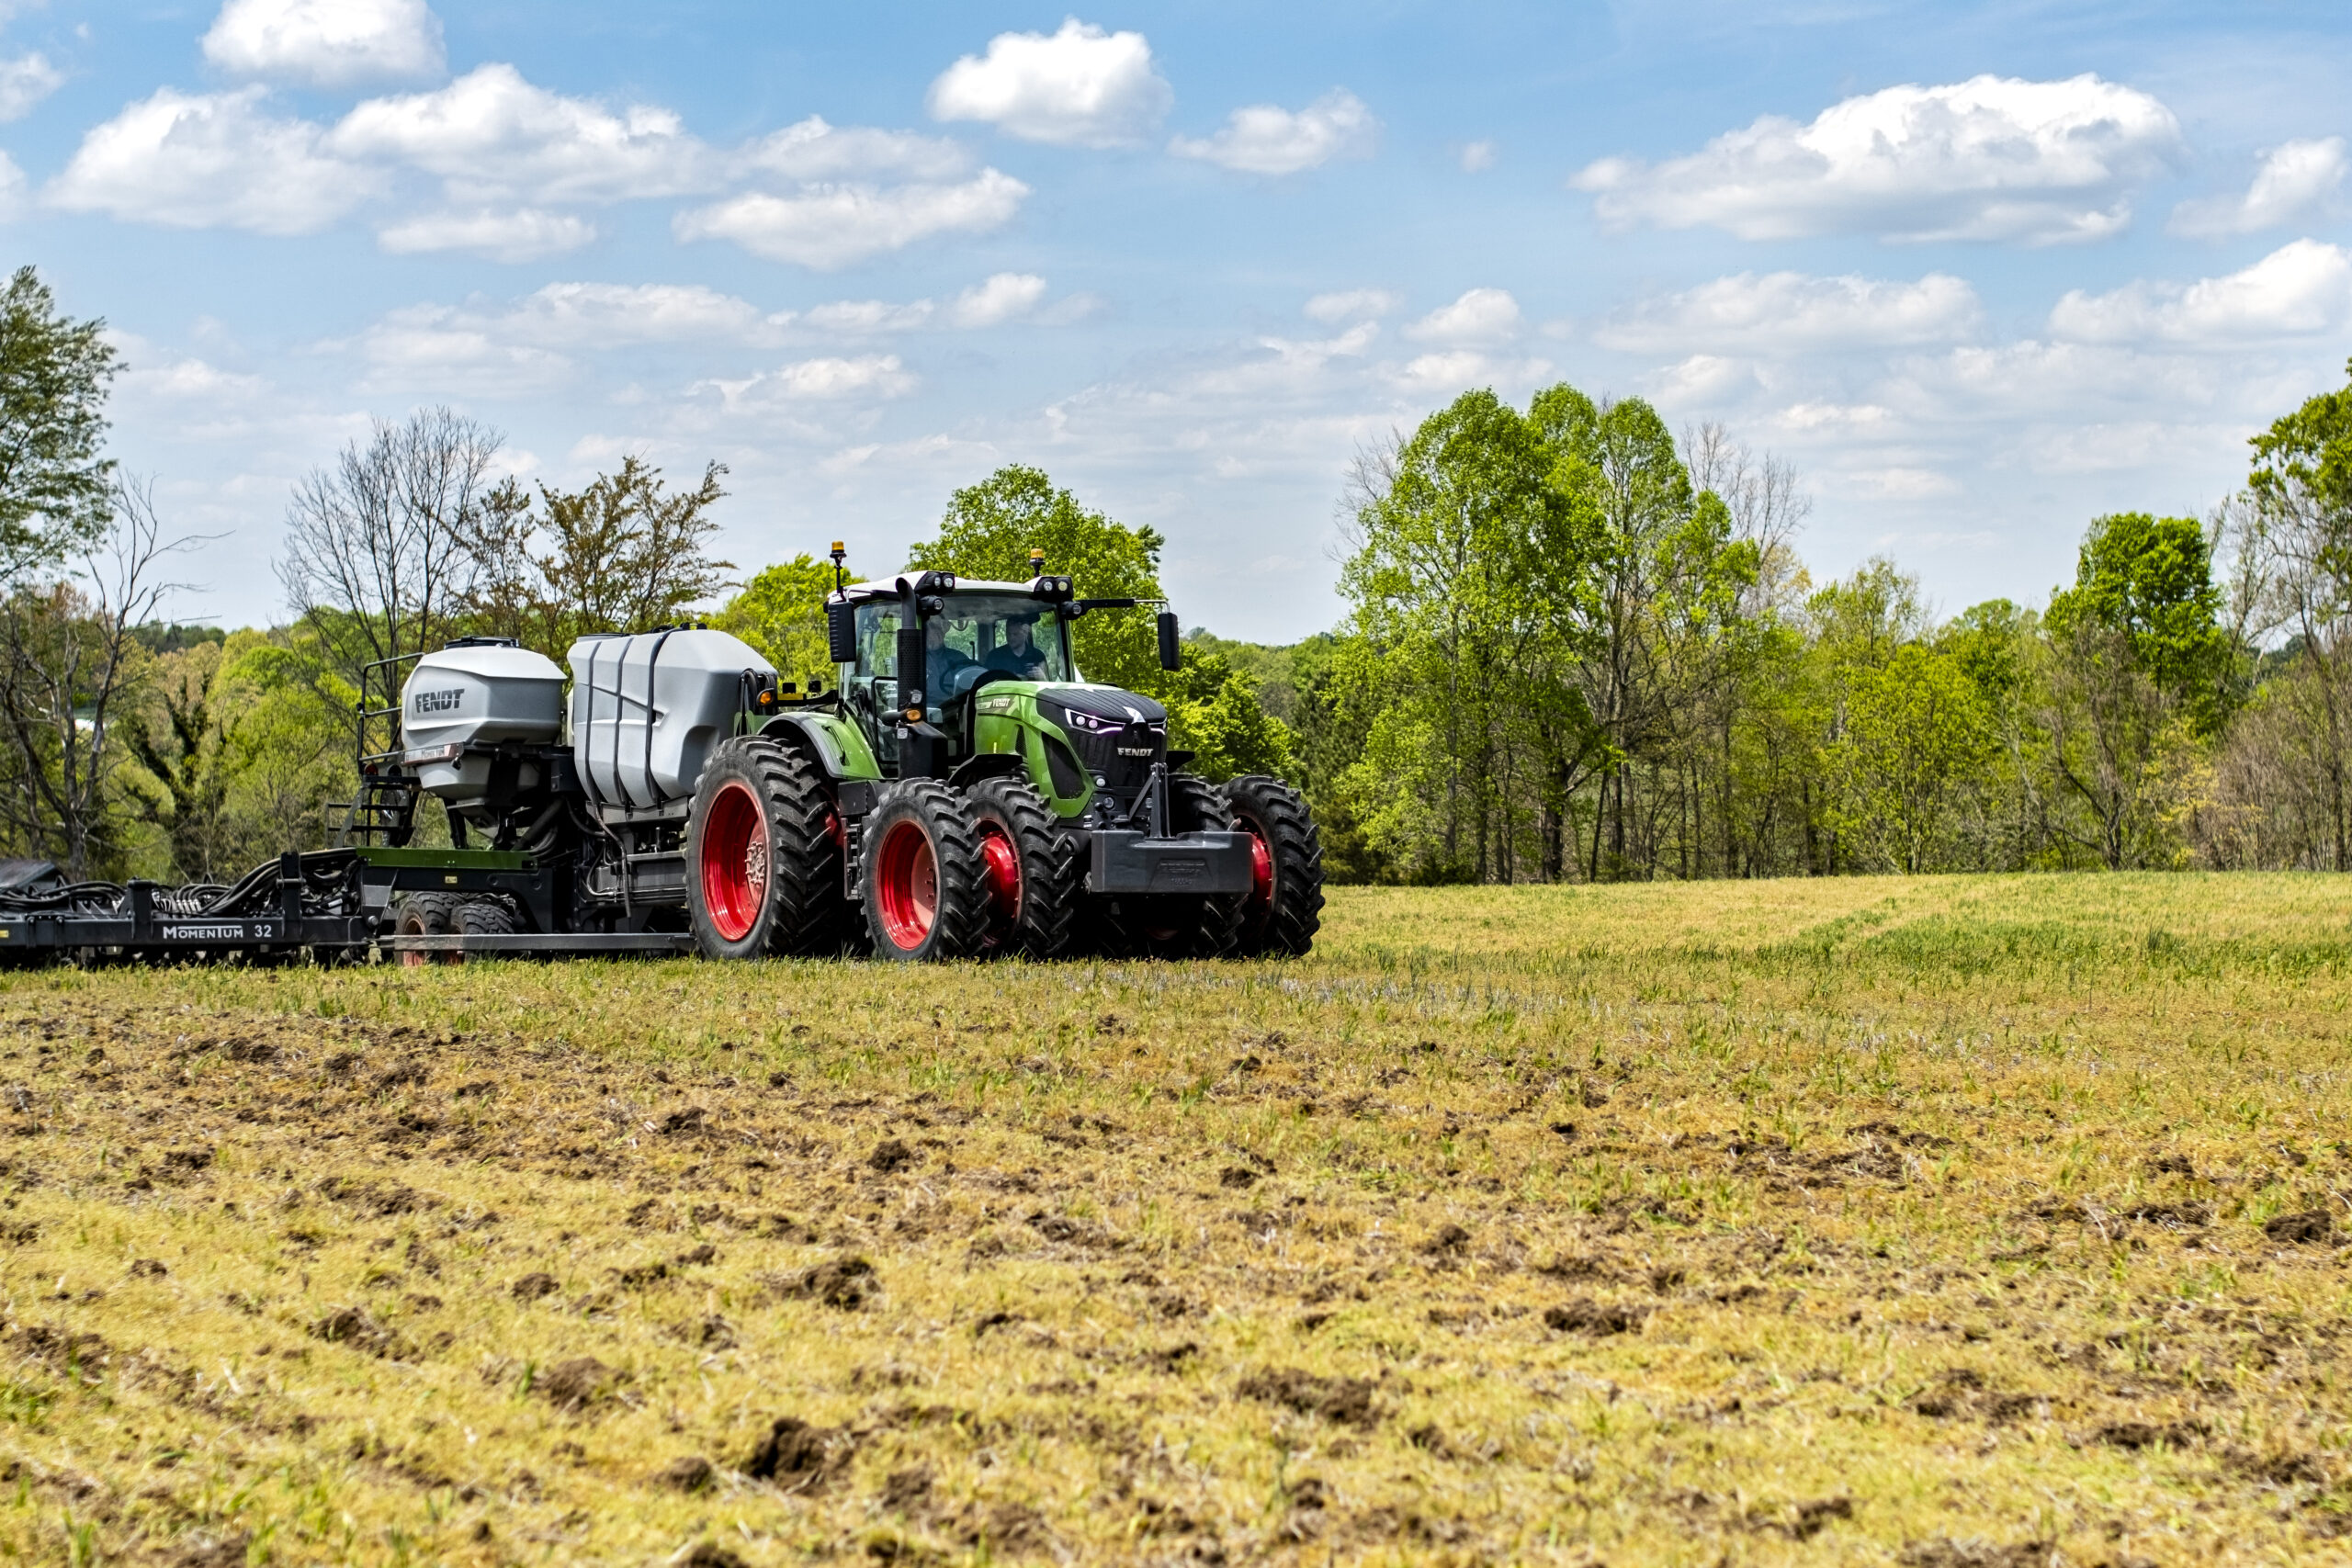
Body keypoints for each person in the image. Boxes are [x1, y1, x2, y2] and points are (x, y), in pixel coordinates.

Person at [984, 614, 1050, 678]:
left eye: (1015, 634)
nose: (1011, 637)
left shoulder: (1038, 656)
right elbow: (985, 683)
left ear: (1025, 633)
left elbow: (1048, 684)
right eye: (1008, 633)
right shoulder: (994, 656)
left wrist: (1042, 677)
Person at [922, 617, 976, 696]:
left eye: (938, 632)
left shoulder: (959, 658)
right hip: (923, 705)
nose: (935, 637)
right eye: (930, 633)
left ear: (943, 634)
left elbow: (970, 683)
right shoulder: (915, 658)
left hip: (954, 705)